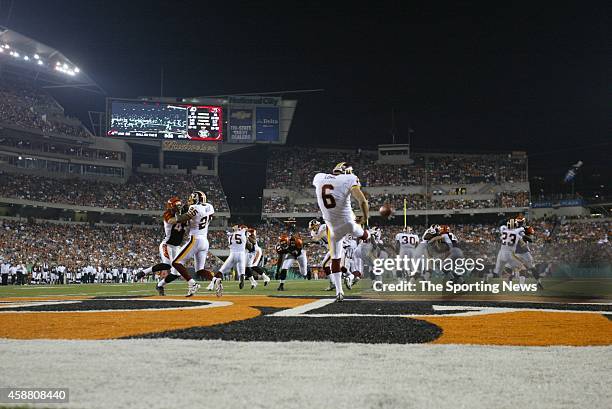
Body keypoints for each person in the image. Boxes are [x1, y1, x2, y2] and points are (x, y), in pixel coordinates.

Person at [312, 162, 369, 302]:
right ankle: (368, 237)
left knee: (335, 260)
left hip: (333, 228)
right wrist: (365, 217)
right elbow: (362, 201)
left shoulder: (319, 177)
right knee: (363, 234)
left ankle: (339, 292)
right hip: (349, 223)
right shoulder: (349, 178)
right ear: (347, 171)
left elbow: (328, 185)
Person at [171, 191, 221, 297]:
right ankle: (215, 280)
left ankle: (192, 283)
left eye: (192, 199)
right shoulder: (209, 206)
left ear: (196, 199)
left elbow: (180, 219)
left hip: (195, 239)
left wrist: (177, 211)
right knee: (200, 271)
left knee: (176, 262)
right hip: (204, 240)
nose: (190, 201)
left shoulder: (195, 208)